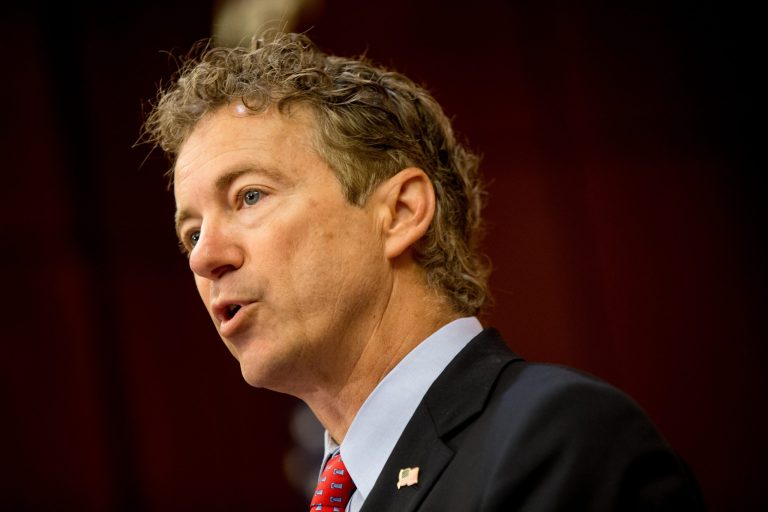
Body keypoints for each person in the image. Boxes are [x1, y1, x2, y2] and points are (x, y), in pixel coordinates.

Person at [142, 31, 706, 511]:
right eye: (189, 233)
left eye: (250, 196)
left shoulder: (558, 436)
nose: (203, 257)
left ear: (400, 212)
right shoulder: (343, 492)